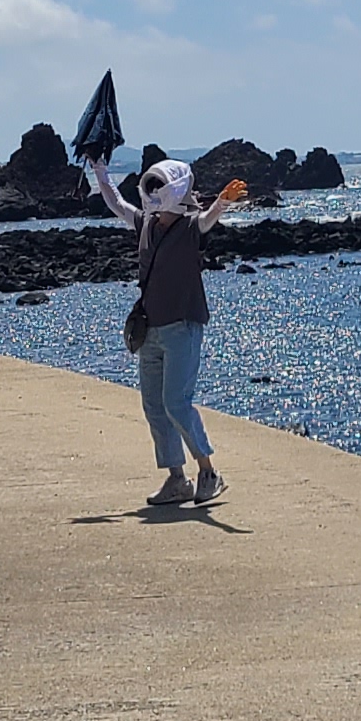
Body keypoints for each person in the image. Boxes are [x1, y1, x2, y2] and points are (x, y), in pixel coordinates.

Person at [90, 152, 243, 506]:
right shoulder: (145, 223)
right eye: (152, 185)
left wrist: (223, 201)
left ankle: (209, 473)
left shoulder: (190, 228)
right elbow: (115, 202)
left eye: (160, 185)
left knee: (176, 403)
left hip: (182, 327)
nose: (154, 191)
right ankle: (177, 479)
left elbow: (208, 219)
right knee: (154, 407)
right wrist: (100, 169)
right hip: (152, 330)